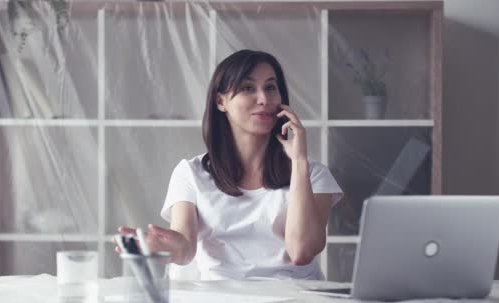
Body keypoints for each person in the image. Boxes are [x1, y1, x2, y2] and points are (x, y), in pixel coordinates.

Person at [115, 49, 343, 280]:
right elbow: (186, 250)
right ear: (220, 101)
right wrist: (169, 247)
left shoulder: (312, 174)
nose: (263, 99)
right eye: (248, 88)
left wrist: (299, 161)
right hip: (221, 301)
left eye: (271, 87)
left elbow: (301, 252)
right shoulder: (190, 173)